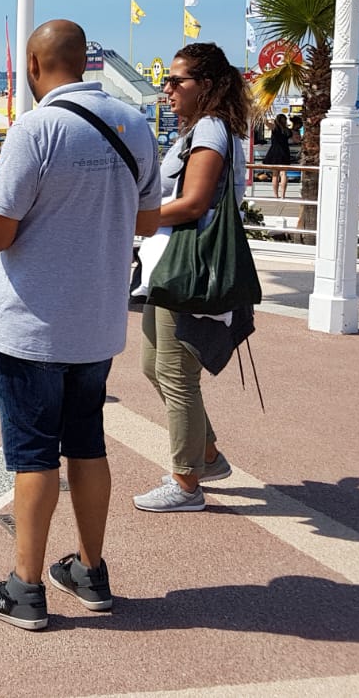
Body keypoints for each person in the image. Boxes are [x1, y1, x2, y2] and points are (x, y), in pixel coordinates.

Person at [0, 20, 159, 631]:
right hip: (97, 320)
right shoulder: (135, 124)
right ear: (87, 62)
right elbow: (149, 222)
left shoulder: (37, 127)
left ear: (33, 63)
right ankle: (91, 570)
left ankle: (24, 587)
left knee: (33, 455)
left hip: (34, 323)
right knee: (87, 444)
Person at [133, 42, 253, 514]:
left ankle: (187, 484)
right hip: (170, 264)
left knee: (176, 374)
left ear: (205, 85)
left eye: (176, 80)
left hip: (190, 267)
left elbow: (195, 203)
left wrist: (134, 218)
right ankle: (207, 455)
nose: (167, 89)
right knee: (152, 364)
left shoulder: (210, 130)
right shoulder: (202, 130)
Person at [261, 113, 296, 199]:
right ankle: (283, 195)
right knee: (284, 174)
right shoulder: (287, 130)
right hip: (284, 152)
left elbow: (264, 122)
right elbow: (295, 139)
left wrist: (264, 113)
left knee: (275, 175)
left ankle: (276, 195)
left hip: (275, 152)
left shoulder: (275, 128)